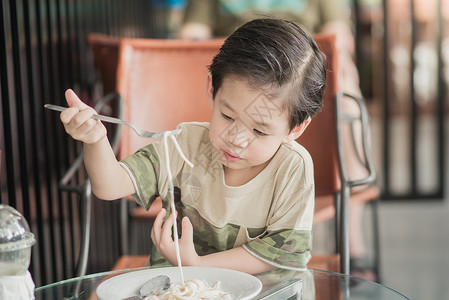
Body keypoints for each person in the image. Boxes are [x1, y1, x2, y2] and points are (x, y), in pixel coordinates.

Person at [59, 18, 326, 273]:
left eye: (258, 130)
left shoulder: (292, 167)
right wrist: (95, 139)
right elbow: (109, 186)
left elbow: (282, 254)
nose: (237, 138)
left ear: (296, 128)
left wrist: (197, 265)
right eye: (227, 116)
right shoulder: (182, 146)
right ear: (212, 88)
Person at [178, 0, 376, 280]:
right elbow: (190, 33)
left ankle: (352, 239)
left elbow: (339, 34)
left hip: (297, 80)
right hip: (239, 78)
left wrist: (290, 66)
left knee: (347, 98)